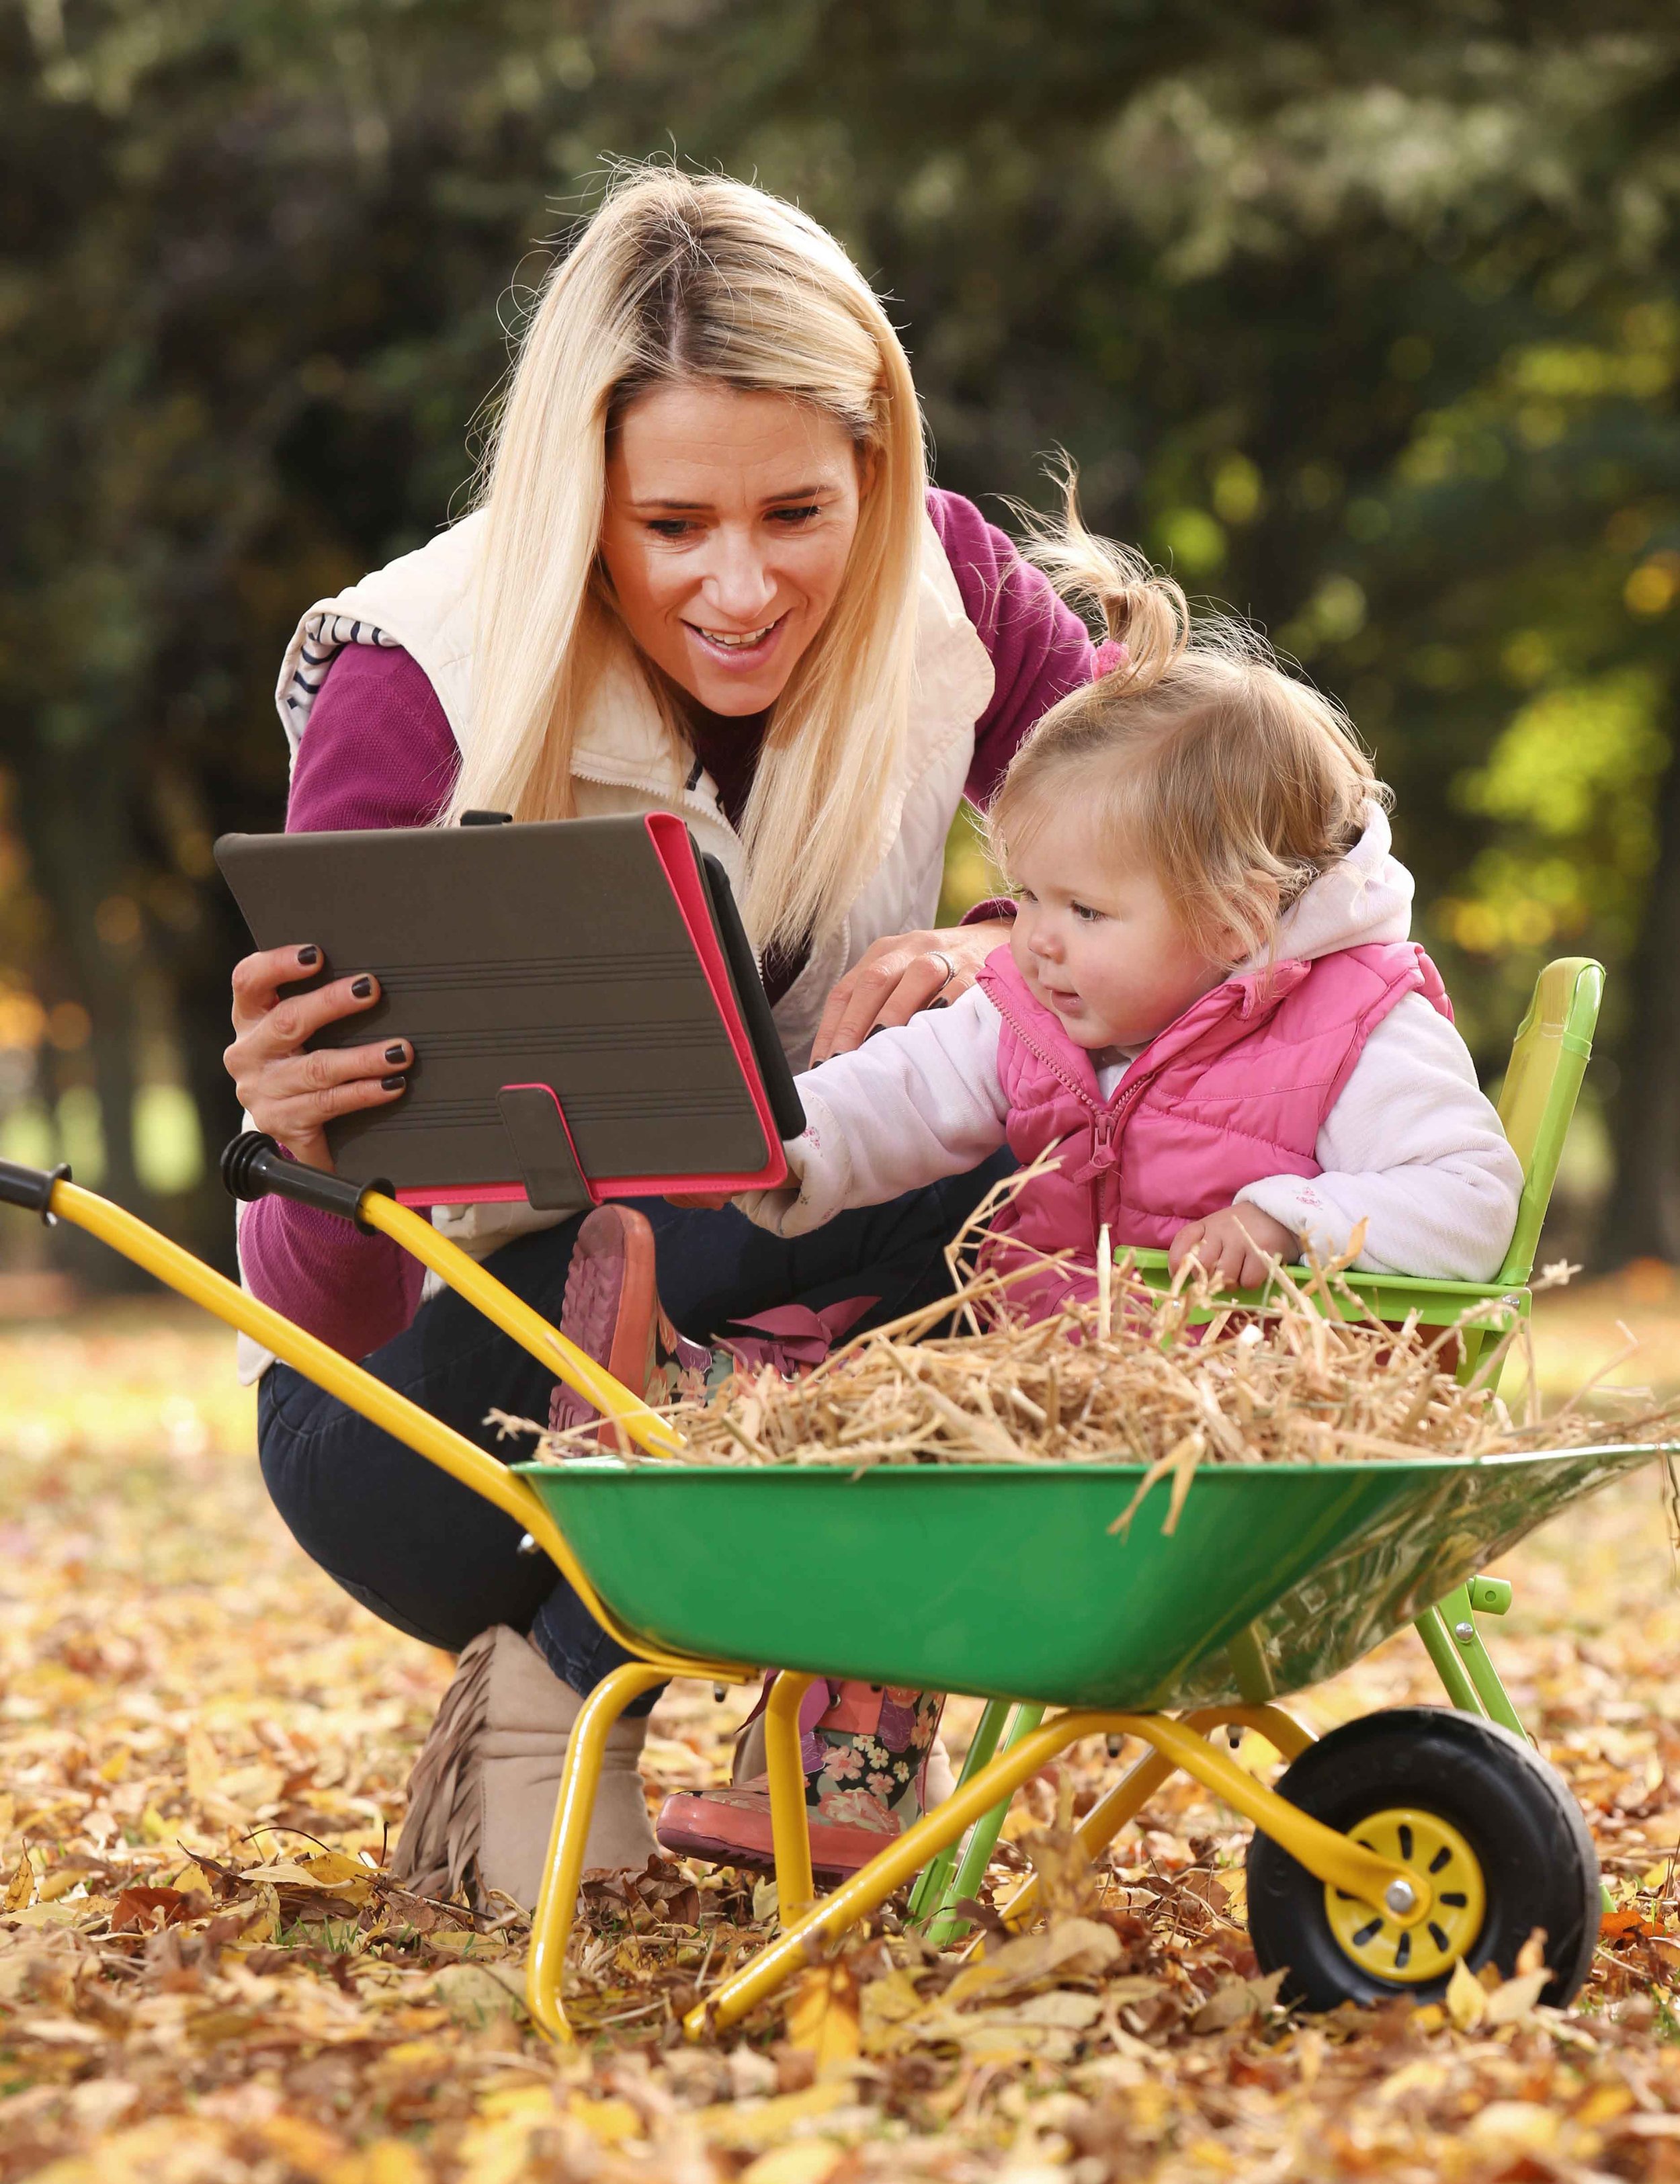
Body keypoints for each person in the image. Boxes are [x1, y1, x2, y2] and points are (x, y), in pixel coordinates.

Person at [225, 167, 1103, 1906]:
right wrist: (302, 1156)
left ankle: (789, 1701)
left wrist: (996, 942)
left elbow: (1193, 892)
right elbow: (325, 1320)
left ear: (878, 464)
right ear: (581, 500)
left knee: (1027, 1108)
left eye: (796, 511)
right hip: (449, 1423)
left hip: (793, 1367)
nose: (739, 585)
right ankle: (566, 1665)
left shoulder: (953, 591)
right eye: (670, 524)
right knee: (909, 1144)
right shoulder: (420, 682)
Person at [655, 491, 1525, 1864]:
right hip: (1055, 1411)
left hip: (1222, 1449)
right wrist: (794, 1148)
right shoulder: (1051, 1009)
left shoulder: (1358, 1024)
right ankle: (832, 1749)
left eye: (1079, 910)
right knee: (896, 1427)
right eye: (1028, 896)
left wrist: (1295, 1218)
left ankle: (713, 1404)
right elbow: (916, 1087)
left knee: (913, 1453)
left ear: (1238, 912)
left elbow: (1468, 1201)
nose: (1030, 942)